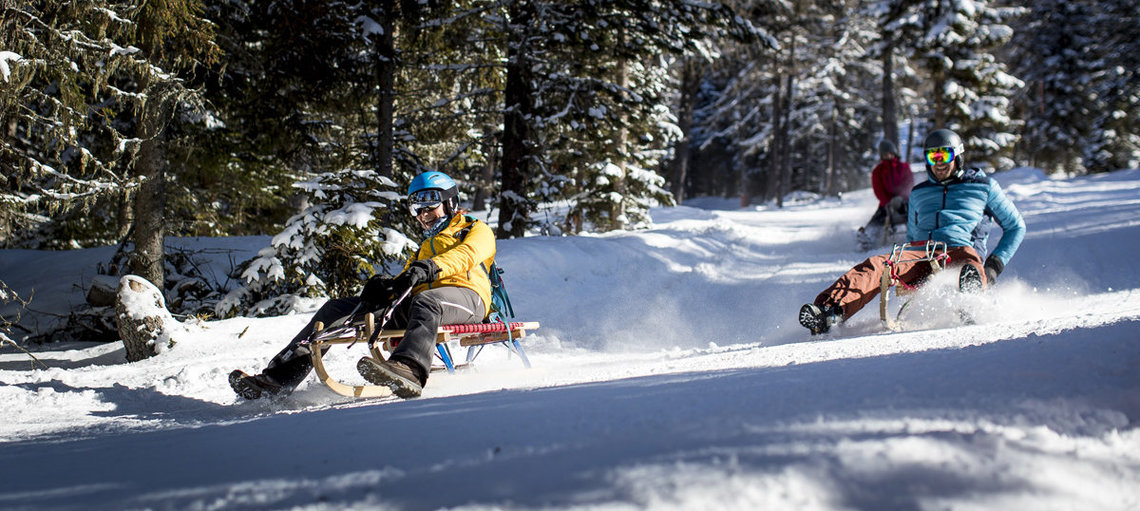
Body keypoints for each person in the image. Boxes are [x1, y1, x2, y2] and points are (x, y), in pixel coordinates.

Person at [230, 170, 496, 399]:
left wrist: (429, 267)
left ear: (450, 203)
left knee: (428, 300)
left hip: (469, 298)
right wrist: (386, 288)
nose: (424, 215)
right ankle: (277, 380)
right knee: (335, 309)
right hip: (421, 304)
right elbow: (408, 280)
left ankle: (410, 369)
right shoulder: (423, 249)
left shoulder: (475, 229)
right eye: (418, 209)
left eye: (431, 206)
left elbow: (467, 255)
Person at [799, 129, 1025, 334]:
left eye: (943, 156)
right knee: (877, 264)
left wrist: (994, 266)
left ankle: (971, 305)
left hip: (961, 251)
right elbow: (912, 236)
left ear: (957, 156)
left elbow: (1016, 227)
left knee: (969, 268)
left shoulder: (983, 187)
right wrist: (907, 267)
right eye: (932, 156)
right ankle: (829, 312)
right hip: (920, 253)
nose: (938, 163)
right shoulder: (919, 193)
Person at [858, 140, 914, 248]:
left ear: (894, 153)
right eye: (885, 154)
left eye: (890, 153)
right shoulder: (878, 171)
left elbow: (909, 183)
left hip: (905, 201)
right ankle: (867, 237)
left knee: (914, 213)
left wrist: (903, 197)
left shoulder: (904, 167)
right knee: (879, 217)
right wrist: (887, 202)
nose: (888, 156)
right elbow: (878, 189)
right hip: (887, 203)